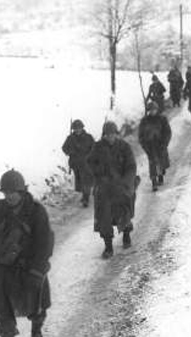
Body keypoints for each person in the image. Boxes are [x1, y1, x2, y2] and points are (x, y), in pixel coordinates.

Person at [0, 170, 54, 337]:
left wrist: (37, 270)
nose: (10, 196)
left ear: (22, 191)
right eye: (6, 192)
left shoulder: (36, 211)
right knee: (1, 309)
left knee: (36, 302)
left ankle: (36, 331)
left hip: (28, 267)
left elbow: (45, 242)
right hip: (1, 268)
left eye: (14, 192)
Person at [87, 121, 138, 259]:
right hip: (104, 190)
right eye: (107, 135)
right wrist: (99, 174)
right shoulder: (97, 147)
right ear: (104, 135)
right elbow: (90, 164)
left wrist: (126, 182)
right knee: (104, 218)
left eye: (112, 134)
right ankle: (108, 246)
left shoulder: (124, 147)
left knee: (124, 213)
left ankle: (126, 236)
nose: (110, 137)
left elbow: (131, 166)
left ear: (116, 134)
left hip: (121, 187)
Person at [139, 101, 172, 192]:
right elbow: (141, 135)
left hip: (160, 144)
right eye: (151, 110)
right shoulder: (144, 121)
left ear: (157, 110)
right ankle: (154, 181)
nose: (152, 112)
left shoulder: (162, 119)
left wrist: (165, 143)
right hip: (150, 145)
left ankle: (160, 175)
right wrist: (145, 146)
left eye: (154, 110)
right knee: (152, 162)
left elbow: (167, 132)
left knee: (161, 161)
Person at [61, 119, 94, 207]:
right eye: (75, 128)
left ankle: (86, 198)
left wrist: (90, 156)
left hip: (87, 163)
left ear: (82, 128)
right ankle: (84, 195)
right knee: (79, 181)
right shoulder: (70, 138)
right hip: (76, 163)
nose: (77, 130)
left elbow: (94, 147)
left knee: (86, 180)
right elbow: (64, 148)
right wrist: (71, 152)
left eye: (79, 128)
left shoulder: (88, 137)